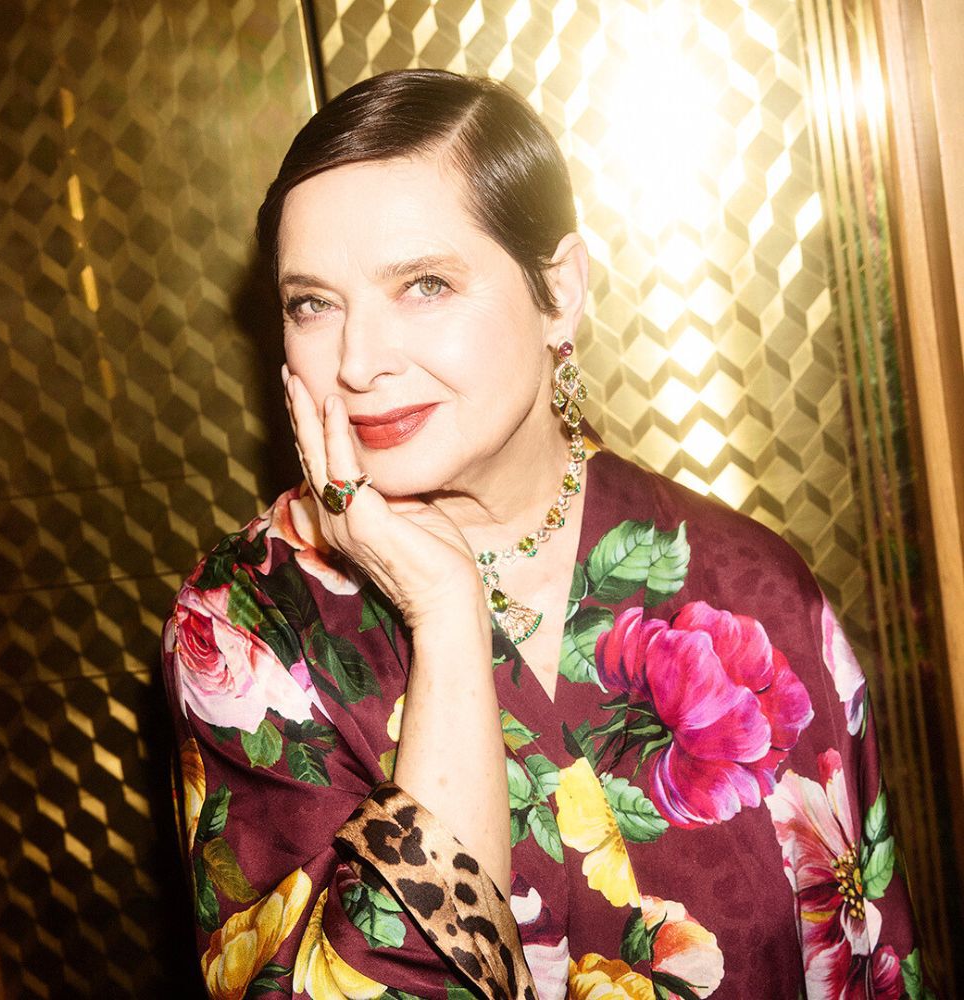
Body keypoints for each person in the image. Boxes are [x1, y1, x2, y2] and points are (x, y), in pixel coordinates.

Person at [162, 69, 927, 1000]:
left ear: (557, 291)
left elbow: (864, 962)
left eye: (426, 284)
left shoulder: (748, 590)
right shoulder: (248, 625)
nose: (357, 362)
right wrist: (446, 617)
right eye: (312, 304)